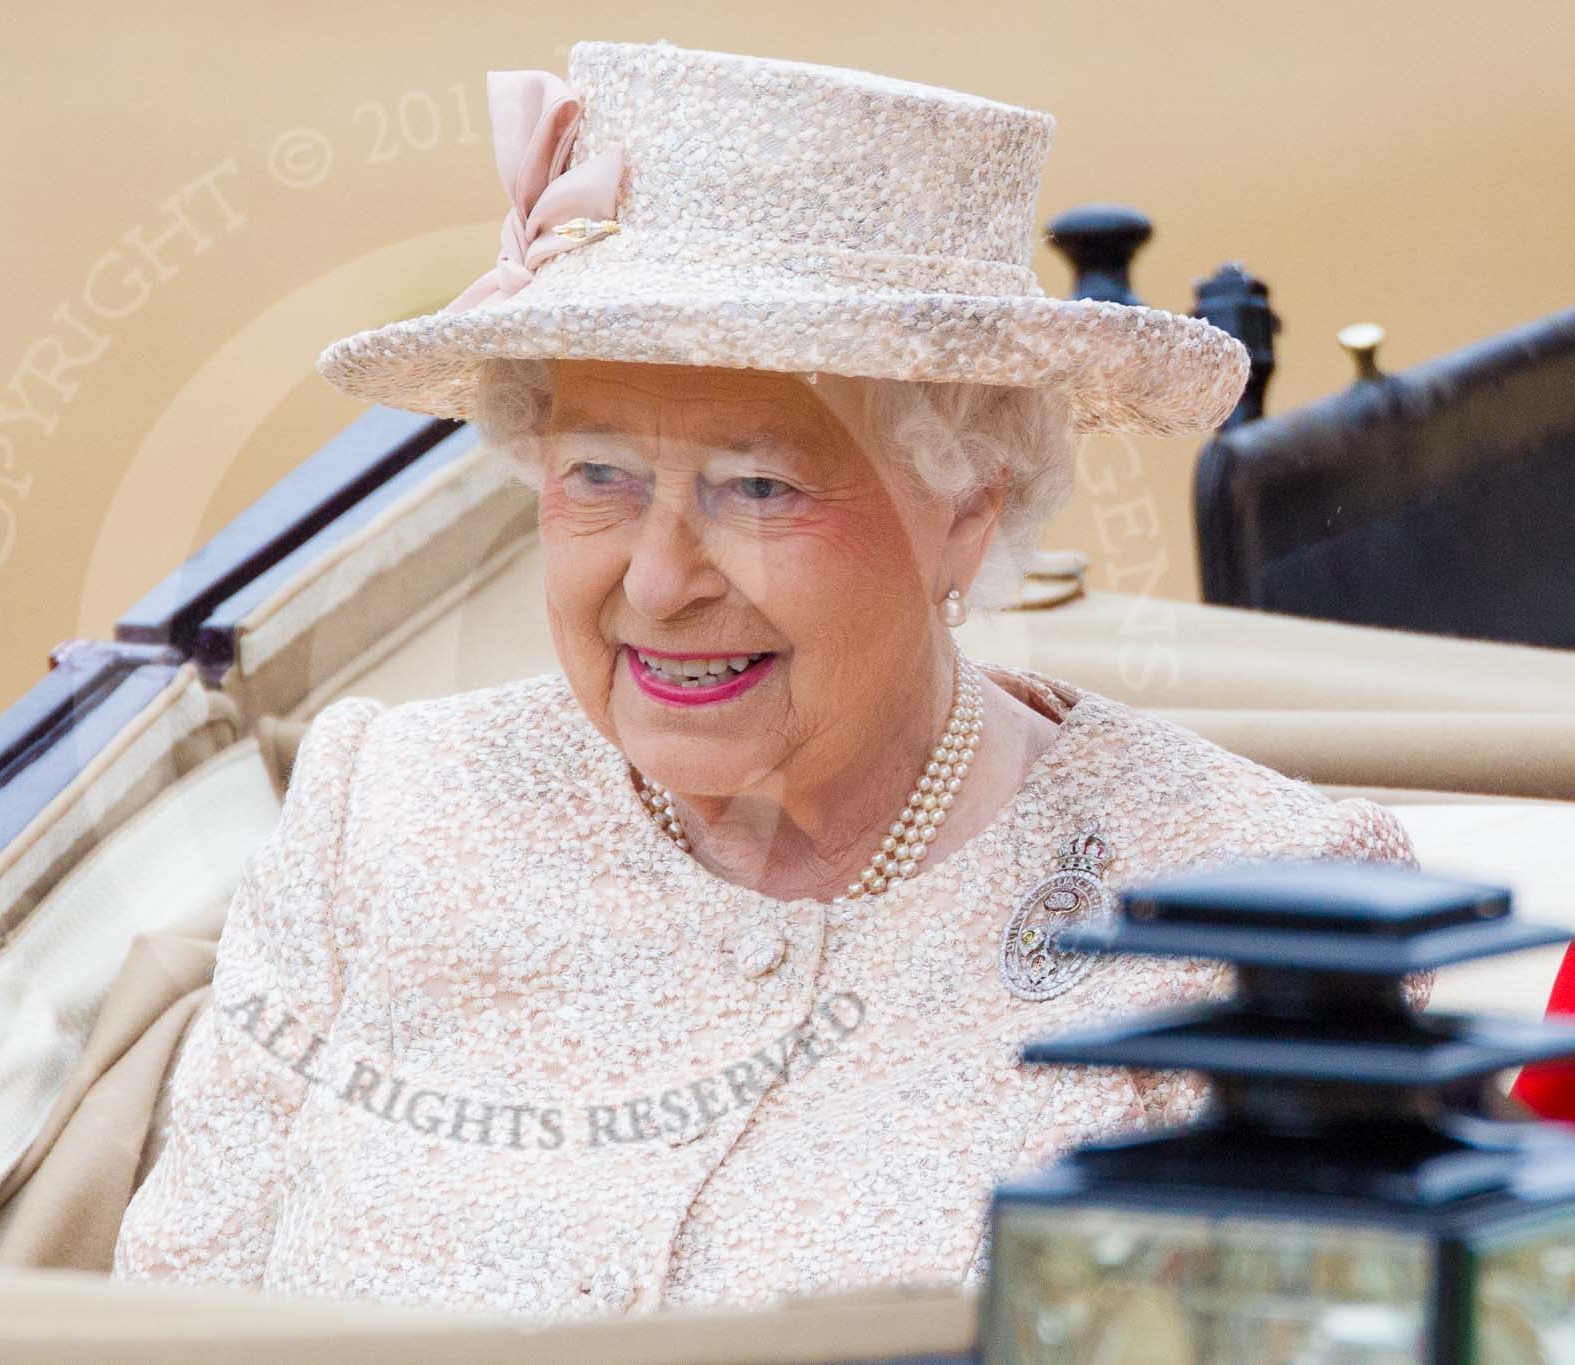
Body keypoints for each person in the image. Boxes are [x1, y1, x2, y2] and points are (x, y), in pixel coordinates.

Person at [113, 38, 1426, 1315]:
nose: (658, 577)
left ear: (970, 502)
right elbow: (165, 1331)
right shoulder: (379, 809)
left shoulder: (1259, 913)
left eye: (757, 485)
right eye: (600, 476)